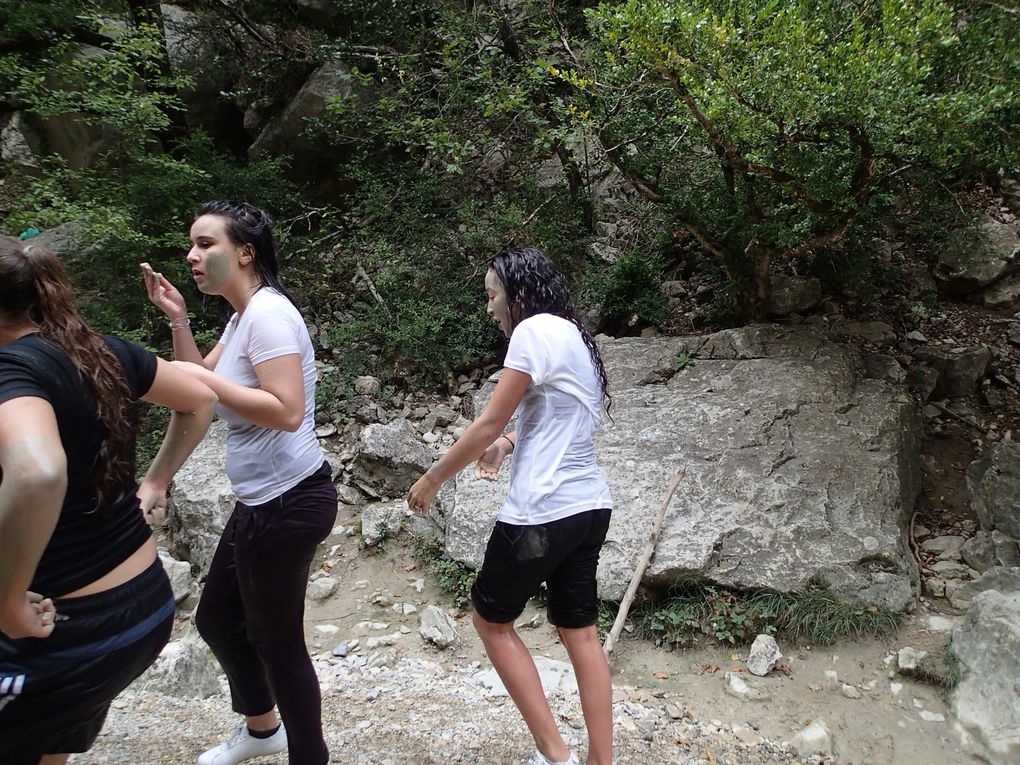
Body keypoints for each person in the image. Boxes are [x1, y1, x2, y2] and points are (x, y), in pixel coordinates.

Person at [0, 235, 218, 765]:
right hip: (142, 605)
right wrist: (156, 480)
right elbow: (200, 399)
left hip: (65, 623)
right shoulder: (97, 350)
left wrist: (6, 599)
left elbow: (37, 471)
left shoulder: (12, 371)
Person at [141, 200, 338, 765]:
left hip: (291, 499)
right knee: (217, 619)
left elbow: (286, 410)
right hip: (261, 501)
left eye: (206, 244)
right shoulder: (240, 316)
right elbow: (199, 390)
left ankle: (309, 756)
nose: (191, 255)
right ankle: (261, 729)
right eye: (192, 245)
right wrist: (178, 319)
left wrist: (194, 376)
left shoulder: (270, 316)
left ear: (245, 252)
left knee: (278, 643)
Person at [407, 247, 615, 765]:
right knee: (580, 633)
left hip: (540, 514)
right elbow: (557, 419)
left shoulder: (530, 331)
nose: (489, 307)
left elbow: (485, 423)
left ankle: (555, 755)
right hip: (589, 507)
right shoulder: (572, 335)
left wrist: (433, 478)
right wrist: (510, 444)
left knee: (491, 621)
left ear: (517, 295)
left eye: (492, 295)